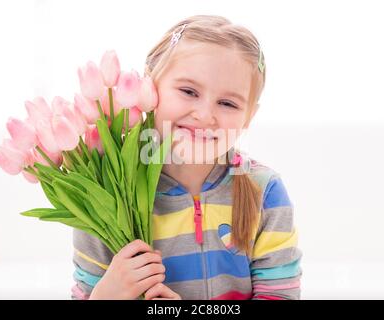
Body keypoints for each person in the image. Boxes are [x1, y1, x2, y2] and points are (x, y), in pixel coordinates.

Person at [71, 14, 302, 300]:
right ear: (149, 86)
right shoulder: (108, 194)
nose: (205, 115)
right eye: (189, 91)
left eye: (228, 103)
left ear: (248, 117)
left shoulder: (264, 191)